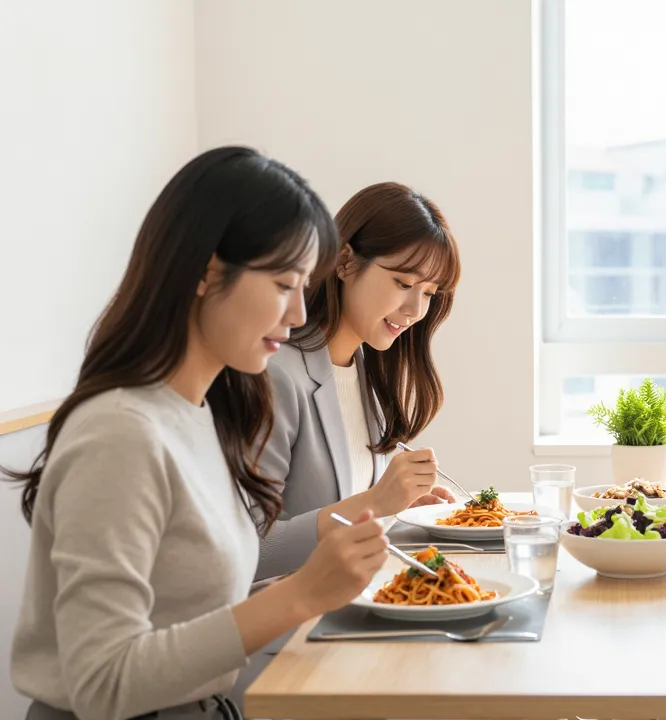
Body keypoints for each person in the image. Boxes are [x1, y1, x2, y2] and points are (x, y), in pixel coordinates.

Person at [7, 147, 388, 720]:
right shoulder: (119, 433)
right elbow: (102, 682)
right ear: (208, 272)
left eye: (305, 287)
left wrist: (324, 592)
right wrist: (302, 593)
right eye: (286, 283)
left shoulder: (207, 415)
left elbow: (193, 616)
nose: (299, 314)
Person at [256, 182, 462, 582]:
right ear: (346, 262)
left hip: (358, 609)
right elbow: (249, 551)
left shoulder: (366, 369)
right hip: (292, 629)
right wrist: (375, 502)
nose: (416, 310)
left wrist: (403, 511)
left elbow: (357, 518)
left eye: (429, 293)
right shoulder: (277, 375)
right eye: (403, 283)